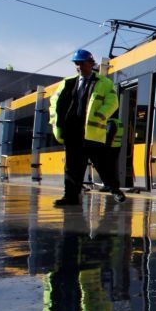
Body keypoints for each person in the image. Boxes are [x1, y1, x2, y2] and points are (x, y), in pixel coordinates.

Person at [49, 49, 126, 206]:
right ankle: (70, 196)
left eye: (82, 63)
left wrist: (100, 115)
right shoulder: (67, 82)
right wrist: (56, 121)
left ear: (91, 64)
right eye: (76, 63)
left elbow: (112, 102)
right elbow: (54, 103)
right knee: (72, 168)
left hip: (93, 133)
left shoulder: (104, 83)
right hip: (73, 132)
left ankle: (115, 190)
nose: (78, 67)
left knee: (103, 165)